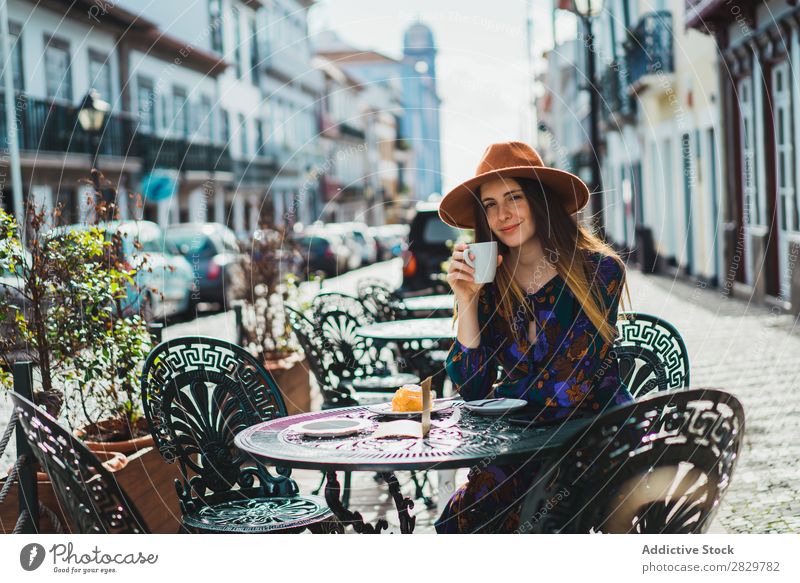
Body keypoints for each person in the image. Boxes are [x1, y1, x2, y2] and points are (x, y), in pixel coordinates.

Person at [435, 141, 634, 533]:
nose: (502, 214)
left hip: (595, 442)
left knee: (498, 508)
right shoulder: (490, 287)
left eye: (514, 197)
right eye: (489, 204)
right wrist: (468, 302)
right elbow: (473, 388)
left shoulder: (599, 272)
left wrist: (507, 396)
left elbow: (568, 388)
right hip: (521, 447)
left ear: (540, 201)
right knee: (464, 517)